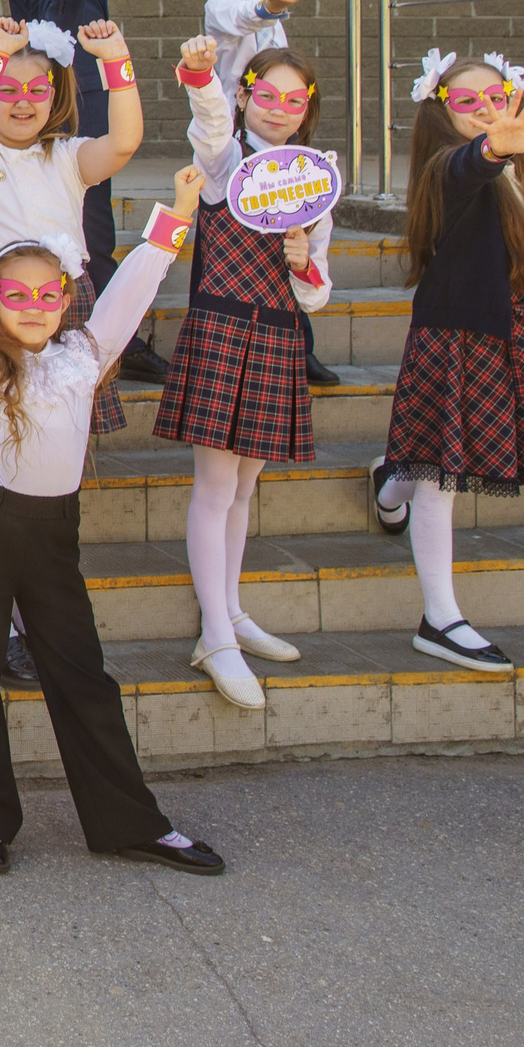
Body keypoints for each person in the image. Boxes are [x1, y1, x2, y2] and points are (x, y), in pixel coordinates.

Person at [0, 144, 226, 879]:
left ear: (64, 298)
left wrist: (175, 216)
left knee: (83, 674)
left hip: (54, 533)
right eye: (15, 296)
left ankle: (127, 820)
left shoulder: (85, 354)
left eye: (46, 295)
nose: (31, 308)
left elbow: (129, 297)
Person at [0, 12, 144, 683]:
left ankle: (38, 623)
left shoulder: (67, 156)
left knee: (53, 469)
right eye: (7, 88)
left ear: (56, 97)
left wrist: (116, 61)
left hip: (63, 310)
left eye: (37, 90)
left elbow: (125, 141)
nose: (21, 101)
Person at [374, 50, 524, 674]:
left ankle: (388, 481)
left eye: (495, 97)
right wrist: (491, 151)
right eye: (466, 102)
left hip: (503, 326)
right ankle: (440, 618)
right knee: (442, 474)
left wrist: (507, 153)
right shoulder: (448, 165)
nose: (485, 109)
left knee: (438, 453)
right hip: (452, 328)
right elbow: (466, 170)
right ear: (442, 110)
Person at [154, 38, 331, 708]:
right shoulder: (228, 161)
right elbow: (208, 123)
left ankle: (228, 612)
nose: (279, 109)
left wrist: (303, 258)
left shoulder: (315, 179)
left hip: (279, 334)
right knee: (215, 484)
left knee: (244, 487)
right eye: (267, 94)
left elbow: (318, 292)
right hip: (223, 327)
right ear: (246, 94)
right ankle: (216, 634)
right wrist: (202, 74)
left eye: (294, 99)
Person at [8, 0, 169, 383]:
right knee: (89, 227)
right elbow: (55, 16)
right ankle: (112, 337)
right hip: (60, 109)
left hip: (91, 108)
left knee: (97, 222)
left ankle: (111, 333)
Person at [193, 0, 337, 385]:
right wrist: (270, 7)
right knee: (224, 232)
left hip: (279, 139)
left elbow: (283, 64)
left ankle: (301, 342)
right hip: (235, 131)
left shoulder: (266, 2)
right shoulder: (221, 5)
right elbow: (241, 18)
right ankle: (207, 334)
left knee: (292, 231)